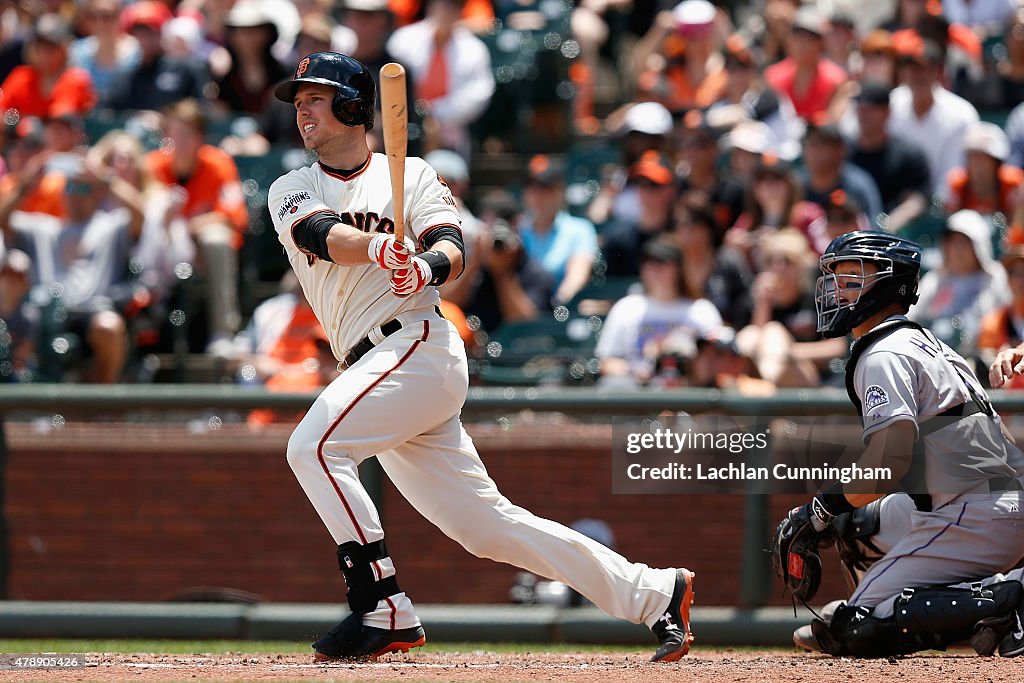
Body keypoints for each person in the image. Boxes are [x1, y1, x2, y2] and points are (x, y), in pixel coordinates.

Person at [267, 51, 695, 663]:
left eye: (316, 96)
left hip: (415, 342)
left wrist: (424, 264)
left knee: (313, 446)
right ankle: (654, 592)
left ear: (354, 106)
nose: (303, 109)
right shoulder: (292, 185)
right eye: (299, 99)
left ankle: (382, 606)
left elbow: (452, 244)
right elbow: (321, 236)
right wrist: (378, 246)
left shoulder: (410, 174)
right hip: (370, 366)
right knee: (485, 527)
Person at [774, 230, 1024, 658]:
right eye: (838, 278)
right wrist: (829, 512)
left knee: (857, 630)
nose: (839, 289)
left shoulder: (884, 353)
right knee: (854, 524)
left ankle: (1010, 597)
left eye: (853, 278)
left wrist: (816, 510)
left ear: (888, 285)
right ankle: (883, 602)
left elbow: (889, 463)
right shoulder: (918, 340)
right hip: (978, 497)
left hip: (979, 510)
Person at [147, 99, 249, 356]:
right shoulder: (153, 165)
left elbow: (233, 216)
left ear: (199, 137)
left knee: (216, 239)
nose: (177, 141)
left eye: (185, 134)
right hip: (162, 244)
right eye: (173, 134)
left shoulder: (218, 164)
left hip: (201, 243)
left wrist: (188, 227)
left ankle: (223, 332)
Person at [595, 236, 722, 387]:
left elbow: (718, 360)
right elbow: (606, 362)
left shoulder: (701, 310)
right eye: (649, 264)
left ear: (679, 268)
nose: (655, 270)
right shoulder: (626, 308)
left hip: (688, 390)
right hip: (639, 393)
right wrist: (636, 371)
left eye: (663, 263)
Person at [846, 83, 930, 233]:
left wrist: (887, 226)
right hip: (848, 228)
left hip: (893, 235)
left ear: (887, 112)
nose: (864, 113)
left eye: (871, 108)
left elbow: (917, 199)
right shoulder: (843, 152)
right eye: (860, 107)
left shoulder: (908, 154)